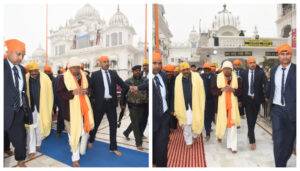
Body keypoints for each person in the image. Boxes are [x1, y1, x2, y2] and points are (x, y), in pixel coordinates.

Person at [88, 56, 130, 156]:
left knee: (113, 125)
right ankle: (91, 139)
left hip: (111, 103)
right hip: (99, 104)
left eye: (108, 62)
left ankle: (113, 148)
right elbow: (90, 89)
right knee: (96, 124)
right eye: (104, 62)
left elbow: (123, 84)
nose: (107, 63)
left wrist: (132, 88)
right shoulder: (94, 75)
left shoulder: (113, 73)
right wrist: (93, 99)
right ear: (100, 63)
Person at [57, 57, 94, 167]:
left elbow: (91, 89)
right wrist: (72, 92)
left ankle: (73, 145)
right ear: (69, 68)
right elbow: (60, 93)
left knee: (82, 133)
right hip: (70, 113)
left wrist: (86, 91)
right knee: (73, 135)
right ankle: (75, 157)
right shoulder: (63, 78)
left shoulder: (85, 76)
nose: (76, 69)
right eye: (73, 67)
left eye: (78, 67)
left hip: (84, 111)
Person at [4, 39, 33, 167]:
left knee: (20, 139)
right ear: (8, 52)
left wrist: (26, 108)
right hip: (3, 110)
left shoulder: (21, 70)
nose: (21, 58)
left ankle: (20, 160)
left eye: (23, 55)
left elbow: (23, 91)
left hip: (18, 111)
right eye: (18, 54)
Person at [266, 44, 296, 167]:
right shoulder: (274, 70)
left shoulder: (296, 70)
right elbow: (272, 87)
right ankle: (279, 166)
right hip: (277, 110)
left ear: (291, 55)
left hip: (293, 111)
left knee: (289, 142)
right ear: (278, 56)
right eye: (282, 54)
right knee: (277, 140)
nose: (285, 56)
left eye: (287, 53)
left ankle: (282, 161)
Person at [211, 61, 242, 153]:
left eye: (229, 69)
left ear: (231, 69)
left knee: (232, 125)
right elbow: (212, 91)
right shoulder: (217, 77)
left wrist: (232, 90)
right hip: (221, 106)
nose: (227, 70)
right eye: (225, 69)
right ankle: (220, 136)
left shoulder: (237, 78)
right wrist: (222, 90)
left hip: (233, 107)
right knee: (222, 123)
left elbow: (240, 91)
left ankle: (233, 146)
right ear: (222, 69)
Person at [174, 62, 205, 148]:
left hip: (195, 104)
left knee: (196, 121)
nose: (186, 71)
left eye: (187, 69)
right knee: (186, 124)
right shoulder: (178, 79)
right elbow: (175, 94)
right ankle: (188, 142)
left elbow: (202, 91)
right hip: (183, 106)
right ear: (181, 71)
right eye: (183, 70)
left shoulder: (197, 77)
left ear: (190, 69)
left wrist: (201, 102)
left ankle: (195, 136)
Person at [25, 62, 53, 157]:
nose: (33, 73)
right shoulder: (26, 78)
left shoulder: (45, 78)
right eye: (31, 71)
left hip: (43, 107)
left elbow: (50, 94)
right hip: (30, 108)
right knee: (31, 128)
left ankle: (38, 143)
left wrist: (51, 108)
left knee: (40, 126)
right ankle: (31, 148)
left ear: (38, 69)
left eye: (35, 70)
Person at [241, 57, 268, 150]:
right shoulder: (243, 73)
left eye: (254, 62)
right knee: (249, 119)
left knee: (254, 119)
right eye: (250, 63)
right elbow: (242, 87)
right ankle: (252, 140)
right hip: (247, 100)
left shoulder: (260, 73)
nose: (252, 64)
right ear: (247, 64)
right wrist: (240, 100)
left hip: (257, 100)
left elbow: (266, 83)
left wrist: (267, 94)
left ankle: (249, 132)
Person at [121, 65, 148, 150]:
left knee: (136, 122)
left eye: (139, 70)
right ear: (132, 71)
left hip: (143, 105)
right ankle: (138, 143)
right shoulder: (128, 81)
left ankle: (126, 132)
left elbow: (147, 85)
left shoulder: (145, 80)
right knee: (136, 124)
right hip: (132, 105)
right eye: (136, 70)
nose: (138, 72)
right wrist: (122, 103)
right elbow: (123, 93)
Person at [152, 52, 170, 167]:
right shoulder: (146, 78)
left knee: (163, 145)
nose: (157, 66)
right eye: (154, 63)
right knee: (154, 145)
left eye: (159, 63)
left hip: (164, 116)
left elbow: (167, 94)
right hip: (153, 118)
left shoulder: (163, 75)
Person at [200, 62, 215, 141]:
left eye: (208, 70)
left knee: (212, 115)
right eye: (205, 70)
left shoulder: (214, 76)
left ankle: (209, 127)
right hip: (204, 100)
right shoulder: (200, 77)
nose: (207, 72)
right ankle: (207, 133)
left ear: (210, 70)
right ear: (203, 70)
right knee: (206, 117)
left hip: (213, 100)